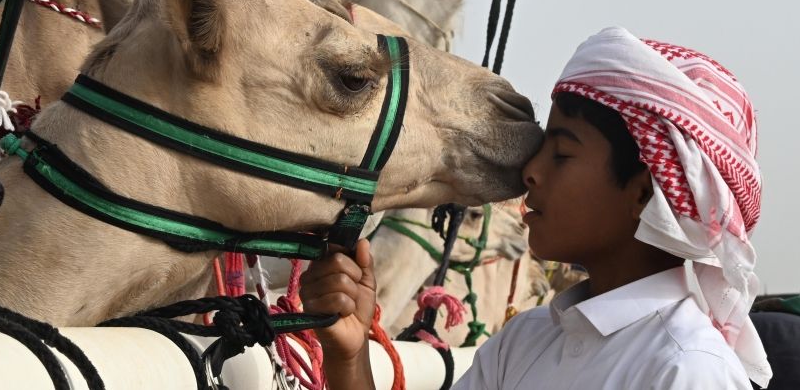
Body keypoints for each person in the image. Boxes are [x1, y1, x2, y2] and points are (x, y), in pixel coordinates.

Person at [300, 27, 772, 389]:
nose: (531, 171)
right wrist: (350, 356)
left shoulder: (684, 367)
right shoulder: (525, 340)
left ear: (644, 194)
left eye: (562, 153)